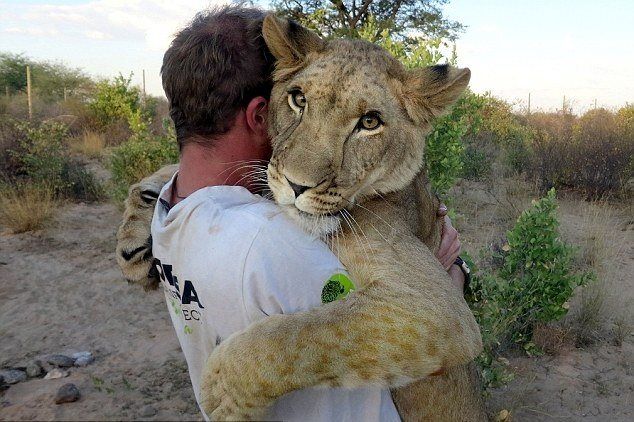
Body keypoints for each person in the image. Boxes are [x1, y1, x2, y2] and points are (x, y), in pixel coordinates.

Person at [152, 5, 467, 421]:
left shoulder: (173, 207)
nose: (304, 174)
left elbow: (443, 326)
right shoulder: (269, 243)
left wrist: (258, 361)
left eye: (368, 122)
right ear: (261, 112)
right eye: (299, 99)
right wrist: (455, 271)